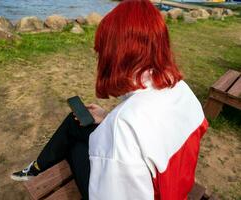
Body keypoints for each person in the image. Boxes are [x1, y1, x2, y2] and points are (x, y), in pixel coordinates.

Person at [11, 0, 208, 199]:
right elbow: (156, 134)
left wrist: (111, 126)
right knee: (75, 122)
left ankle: (37, 170)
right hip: (176, 189)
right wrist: (107, 118)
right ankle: (36, 167)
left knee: (76, 147)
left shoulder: (123, 125)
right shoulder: (182, 89)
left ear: (116, 55)